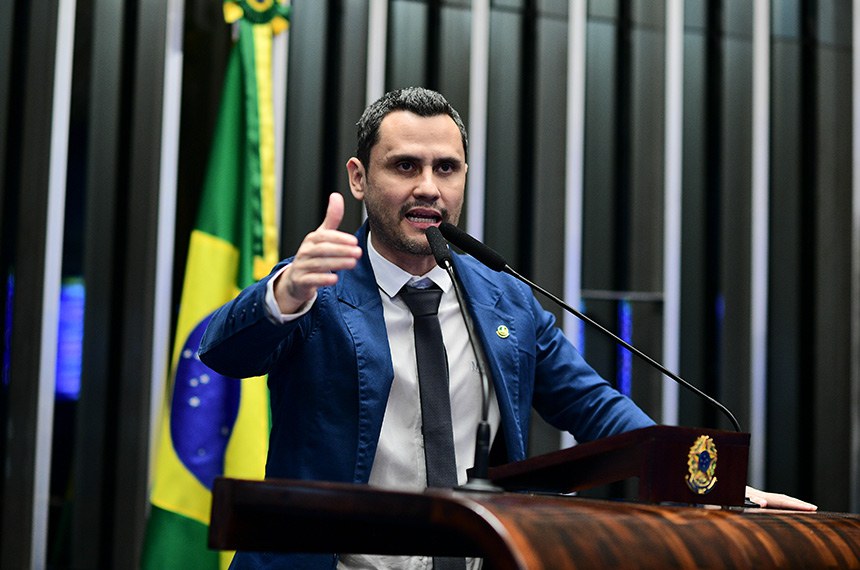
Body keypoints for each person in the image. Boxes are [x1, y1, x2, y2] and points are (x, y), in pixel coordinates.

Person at [199, 87, 815, 570]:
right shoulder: (316, 285)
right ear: (360, 179)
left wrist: (708, 484)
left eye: (447, 168)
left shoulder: (506, 301)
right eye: (405, 166)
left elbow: (595, 407)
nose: (427, 188)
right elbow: (221, 350)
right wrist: (284, 294)